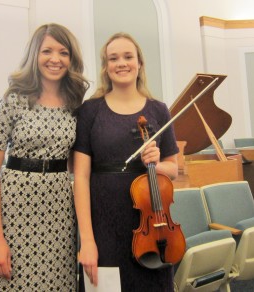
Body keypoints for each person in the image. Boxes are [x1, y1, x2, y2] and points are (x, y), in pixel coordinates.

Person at [0, 23, 89, 291]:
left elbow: (79, 166)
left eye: (63, 52)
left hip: (59, 212)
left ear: (71, 59)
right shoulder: (13, 100)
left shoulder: (75, 104)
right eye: (47, 51)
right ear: (34, 55)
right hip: (16, 208)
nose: (55, 59)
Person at [73, 32, 179, 292]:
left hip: (151, 226)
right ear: (106, 67)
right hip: (104, 226)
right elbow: (81, 177)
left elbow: (173, 169)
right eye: (113, 58)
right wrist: (87, 240)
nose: (122, 63)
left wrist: (156, 162)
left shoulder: (158, 110)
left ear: (139, 63)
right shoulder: (91, 110)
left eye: (128, 56)